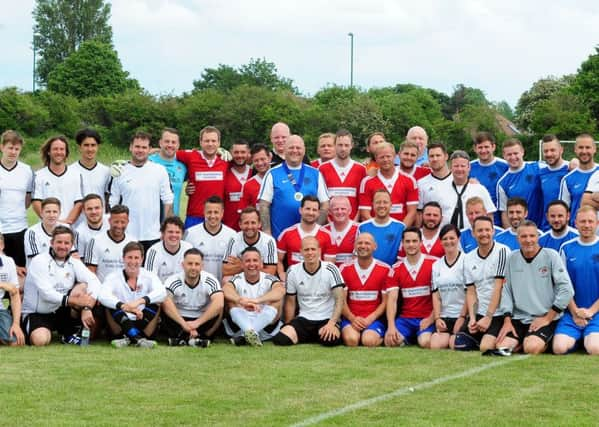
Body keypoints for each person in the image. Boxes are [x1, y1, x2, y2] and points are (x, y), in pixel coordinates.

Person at [496, 220, 573, 354]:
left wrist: (547, 318)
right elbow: (506, 291)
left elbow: (567, 290)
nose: (528, 240)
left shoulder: (551, 256)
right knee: (502, 348)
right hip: (519, 318)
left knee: (531, 348)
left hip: (545, 317)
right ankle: (523, 341)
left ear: (538, 236)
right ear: (517, 238)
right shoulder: (511, 258)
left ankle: (539, 340)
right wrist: (507, 320)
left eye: (532, 236)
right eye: (524, 236)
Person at [21, 226, 100, 346]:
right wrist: (77, 301)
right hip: (37, 313)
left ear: (71, 245)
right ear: (51, 243)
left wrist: (87, 307)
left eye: (66, 243)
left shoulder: (74, 262)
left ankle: (67, 334)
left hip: (60, 310)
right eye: (59, 242)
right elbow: (46, 294)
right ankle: (43, 331)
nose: (63, 246)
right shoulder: (39, 261)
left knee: (83, 285)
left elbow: (94, 281)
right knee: (40, 340)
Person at [272, 237, 344, 346]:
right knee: (281, 339)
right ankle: (309, 336)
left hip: (326, 319)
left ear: (319, 251)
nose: (310, 252)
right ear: (301, 251)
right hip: (304, 319)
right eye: (306, 250)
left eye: (313, 249)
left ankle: (318, 335)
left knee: (330, 340)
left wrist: (332, 323)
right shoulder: (293, 270)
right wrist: (289, 324)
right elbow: (290, 302)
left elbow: (340, 300)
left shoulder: (331, 269)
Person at [108, 131, 173, 253]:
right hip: (126, 234)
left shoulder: (159, 171)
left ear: (149, 149)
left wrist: (165, 229)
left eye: (144, 147)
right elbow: (113, 202)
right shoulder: (120, 171)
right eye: (137, 146)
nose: (140, 150)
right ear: (131, 147)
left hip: (153, 235)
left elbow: (167, 201)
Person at [258, 134, 329, 238]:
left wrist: (316, 229)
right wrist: (267, 233)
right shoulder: (272, 173)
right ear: (285, 150)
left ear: (304, 150)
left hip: (308, 240)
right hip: (279, 238)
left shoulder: (315, 174)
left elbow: (325, 205)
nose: (295, 151)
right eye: (291, 147)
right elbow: (264, 205)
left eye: (298, 148)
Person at [456, 216, 509, 352]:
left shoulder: (502, 251)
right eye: (480, 230)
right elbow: (471, 291)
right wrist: (472, 318)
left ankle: (502, 342)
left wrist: (488, 317)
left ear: (493, 231)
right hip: (479, 312)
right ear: (473, 233)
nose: (484, 234)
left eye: (487, 230)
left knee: (486, 347)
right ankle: (485, 336)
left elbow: (498, 287)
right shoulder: (468, 258)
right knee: (458, 345)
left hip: (497, 314)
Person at [99, 241, 166, 349]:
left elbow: (162, 292)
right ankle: (137, 339)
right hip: (120, 323)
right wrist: (124, 306)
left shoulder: (149, 276)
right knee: (110, 303)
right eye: (129, 257)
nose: (133, 261)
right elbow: (102, 295)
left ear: (142, 259)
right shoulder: (113, 276)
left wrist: (139, 302)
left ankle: (129, 338)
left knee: (157, 301)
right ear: (123, 258)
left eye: (136, 258)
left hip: (144, 321)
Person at [553, 206, 599, 355]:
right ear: (575, 223)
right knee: (559, 348)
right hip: (572, 312)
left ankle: (587, 338)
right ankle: (580, 338)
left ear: (597, 223)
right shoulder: (566, 248)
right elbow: (562, 285)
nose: (586, 225)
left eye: (590, 221)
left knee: (594, 349)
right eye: (583, 221)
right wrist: (575, 312)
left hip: (596, 312)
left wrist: (590, 312)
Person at [161, 248, 224, 347]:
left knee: (219, 308)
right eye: (190, 264)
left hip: (201, 319)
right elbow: (166, 301)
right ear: (183, 265)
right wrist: (184, 324)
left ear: (202, 266)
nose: (193, 267)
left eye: (197, 264)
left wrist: (197, 323)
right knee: (163, 303)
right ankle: (196, 340)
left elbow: (219, 302)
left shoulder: (210, 279)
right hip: (179, 319)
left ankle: (189, 338)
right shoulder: (173, 280)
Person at [385, 227, 436, 348]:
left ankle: (416, 337)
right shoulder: (396, 268)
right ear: (402, 244)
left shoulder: (434, 264)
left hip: (426, 317)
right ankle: (408, 338)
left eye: (414, 241)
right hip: (406, 319)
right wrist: (391, 326)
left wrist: (431, 319)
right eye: (407, 241)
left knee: (425, 342)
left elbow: (442, 297)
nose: (411, 244)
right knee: (390, 342)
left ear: (421, 242)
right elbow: (392, 300)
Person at [223, 247, 285, 346]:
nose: (252, 264)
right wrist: (241, 300)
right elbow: (226, 289)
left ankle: (246, 336)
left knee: (277, 300)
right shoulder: (237, 278)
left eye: (255, 260)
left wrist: (257, 301)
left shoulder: (269, 278)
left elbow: (280, 290)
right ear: (242, 264)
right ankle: (250, 332)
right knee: (231, 300)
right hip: (240, 325)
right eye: (247, 261)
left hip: (265, 327)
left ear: (261, 263)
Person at [420, 150, 495, 229]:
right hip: (447, 237)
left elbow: (489, 214)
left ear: (469, 167)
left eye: (462, 166)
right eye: (456, 166)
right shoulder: (439, 189)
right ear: (451, 168)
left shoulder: (479, 189)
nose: (459, 169)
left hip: (472, 236)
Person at [340, 233, 389, 347]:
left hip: (373, 319)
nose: (363, 246)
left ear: (375, 246)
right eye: (360, 243)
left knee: (368, 341)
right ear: (355, 246)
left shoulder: (385, 269)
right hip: (351, 318)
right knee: (351, 340)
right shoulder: (344, 268)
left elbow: (385, 302)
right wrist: (352, 318)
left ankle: (382, 338)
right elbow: (341, 300)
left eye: (367, 243)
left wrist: (370, 319)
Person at [176, 126, 228, 228]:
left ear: (219, 143)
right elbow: (168, 152)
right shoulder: (191, 156)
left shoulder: (225, 160)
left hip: (217, 216)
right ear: (200, 142)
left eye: (213, 141)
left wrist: (226, 151)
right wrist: (151, 151)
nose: (210, 144)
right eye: (206, 141)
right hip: (194, 215)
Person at [276, 196, 336, 280]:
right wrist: (282, 274)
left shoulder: (328, 236)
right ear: (301, 210)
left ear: (318, 213)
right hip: (294, 281)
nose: (311, 213)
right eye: (308, 209)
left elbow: (329, 266)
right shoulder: (286, 233)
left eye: (314, 210)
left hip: (318, 283)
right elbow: (278, 259)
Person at [359, 142, 418, 226]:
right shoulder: (367, 182)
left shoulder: (410, 180)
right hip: (376, 233)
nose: (385, 160)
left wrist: (399, 231)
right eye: (382, 157)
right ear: (376, 158)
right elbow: (365, 214)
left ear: (394, 156)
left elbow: (412, 212)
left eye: (388, 156)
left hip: (401, 233)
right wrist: (379, 230)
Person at [0, 130, 34, 271]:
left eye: (16, 149)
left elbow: (28, 199)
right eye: (10, 148)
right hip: (0, 229)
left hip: (19, 228)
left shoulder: (27, 171)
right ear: (2, 147)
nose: (13, 152)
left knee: (20, 271)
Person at [32, 135, 83, 225]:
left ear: (66, 152)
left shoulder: (76, 174)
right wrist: (51, 222)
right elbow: (36, 202)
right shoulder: (38, 175)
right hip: (47, 227)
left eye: (62, 149)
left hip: (70, 227)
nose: (59, 152)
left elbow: (79, 203)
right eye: (55, 149)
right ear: (48, 152)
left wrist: (67, 222)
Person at [430, 224, 467, 350]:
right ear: (440, 241)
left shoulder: (467, 261)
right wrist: (437, 318)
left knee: (454, 344)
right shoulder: (436, 265)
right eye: (445, 238)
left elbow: (471, 293)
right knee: (435, 344)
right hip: (445, 317)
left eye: (452, 238)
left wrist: (462, 317)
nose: (448, 241)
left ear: (458, 239)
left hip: (463, 316)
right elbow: (435, 295)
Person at [184, 196, 236, 282]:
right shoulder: (190, 234)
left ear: (222, 213)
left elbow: (233, 266)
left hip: (223, 287)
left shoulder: (232, 235)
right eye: (209, 212)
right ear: (204, 212)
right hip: (198, 285)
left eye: (216, 212)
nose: (212, 216)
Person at [318, 129, 366, 220]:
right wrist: (327, 221)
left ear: (351, 146)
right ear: (335, 145)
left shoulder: (361, 169)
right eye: (340, 145)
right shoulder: (322, 168)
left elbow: (362, 201)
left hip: (353, 223)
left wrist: (354, 223)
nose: (343, 148)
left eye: (346, 145)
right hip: (329, 223)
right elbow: (322, 200)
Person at [497, 138, 543, 228]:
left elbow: (557, 167)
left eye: (515, 153)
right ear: (504, 156)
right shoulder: (502, 183)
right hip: (521, 233)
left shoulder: (537, 167)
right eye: (509, 154)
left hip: (542, 227)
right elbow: (504, 213)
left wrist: (573, 163)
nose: (513, 157)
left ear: (522, 152)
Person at [222, 207, 277, 278]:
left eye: (253, 222)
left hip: (261, 280)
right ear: (240, 224)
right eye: (246, 223)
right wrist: (255, 265)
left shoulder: (269, 241)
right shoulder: (234, 239)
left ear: (259, 224)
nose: (249, 226)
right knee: (226, 279)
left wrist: (241, 264)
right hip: (240, 279)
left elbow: (271, 272)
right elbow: (225, 270)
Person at [85, 204, 136, 282]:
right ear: (109, 221)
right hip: (102, 290)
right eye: (116, 222)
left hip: (126, 291)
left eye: (123, 222)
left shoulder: (133, 242)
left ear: (128, 222)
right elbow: (90, 273)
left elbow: (135, 272)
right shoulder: (95, 241)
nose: (119, 226)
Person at [469, 132, 508, 226]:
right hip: (477, 220)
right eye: (480, 147)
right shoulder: (468, 167)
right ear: (475, 148)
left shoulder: (505, 166)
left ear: (493, 147)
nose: (483, 150)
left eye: (486, 147)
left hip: (501, 219)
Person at [358, 190, 405, 266]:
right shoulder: (362, 227)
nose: (382, 205)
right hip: (369, 272)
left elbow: (402, 258)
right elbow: (357, 254)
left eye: (385, 202)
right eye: (378, 202)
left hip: (392, 273)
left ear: (391, 204)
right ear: (373, 204)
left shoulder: (401, 227)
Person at [560, 133, 598, 226]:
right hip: (577, 233)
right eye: (581, 147)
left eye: (588, 147)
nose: (584, 151)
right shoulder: (567, 179)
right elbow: (563, 212)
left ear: (594, 149)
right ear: (575, 150)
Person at [148, 128, 187, 217]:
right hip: (151, 222)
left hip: (172, 223)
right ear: (160, 143)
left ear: (178, 145)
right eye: (167, 141)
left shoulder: (183, 166)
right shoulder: (149, 162)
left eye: (173, 142)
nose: (170, 145)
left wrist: (218, 151)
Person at [144, 216, 193, 283]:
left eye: (177, 232)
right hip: (161, 291)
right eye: (170, 232)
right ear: (163, 233)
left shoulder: (188, 248)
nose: (174, 235)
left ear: (182, 234)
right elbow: (149, 280)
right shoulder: (153, 251)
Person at [24, 197, 70, 265]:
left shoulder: (66, 228)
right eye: (48, 212)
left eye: (55, 212)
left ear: (59, 213)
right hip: (40, 272)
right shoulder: (32, 232)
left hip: (62, 270)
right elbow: (36, 261)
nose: (51, 215)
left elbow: (73, 255)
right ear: (42, 213)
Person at [538, 135, 570, 231]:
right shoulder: (540, 172)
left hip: (567, 227)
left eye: (552, 150)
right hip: (547, 227)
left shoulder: (571, 169)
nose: (549, 154)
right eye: (546, 151)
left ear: (561, 150)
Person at [71, 128, 111, 204]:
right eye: (86, 145)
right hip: (78, 216)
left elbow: (108, 196)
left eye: (93, 145)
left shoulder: (106, 171)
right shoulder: (70, 171)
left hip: (100, 215)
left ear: (98, 147)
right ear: (79, 147)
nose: (90, 149)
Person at [0, 233, 25, 346]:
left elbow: (14, 295)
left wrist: (16, 324)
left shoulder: (8, 262)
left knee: (15, 342)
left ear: (2, 246)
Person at [223, 140, 252, 230]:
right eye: (236, 152)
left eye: (243, 152)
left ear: (248, 153)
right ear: (231, 153)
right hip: (229, 226)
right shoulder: (224, 172)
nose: (239, 155)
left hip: (250, 227)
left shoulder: (254, 173)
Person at [323, 196, 359, 266]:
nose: (340, 212)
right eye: (336, 209)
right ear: (330, 211)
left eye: (343, 209)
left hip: (349, 274)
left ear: (350, 210)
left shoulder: (359, 229)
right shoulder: (324, 231)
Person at [74, 193, 109, 258]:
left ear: (103, 208)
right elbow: (81, 260)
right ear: (83, 211)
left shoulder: (112, 222)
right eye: (89, 209)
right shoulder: (79, 233)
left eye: (97, 208)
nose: (94, 212)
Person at [239, 143, 271, 210]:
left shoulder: (280, 179)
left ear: (269, 158)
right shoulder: (248, 185)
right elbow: (245, 212)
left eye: (262, 159)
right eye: (256, 160)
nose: (260, 163)